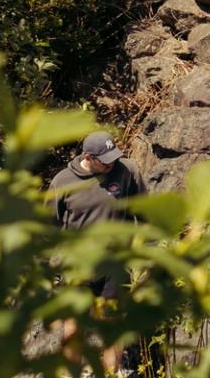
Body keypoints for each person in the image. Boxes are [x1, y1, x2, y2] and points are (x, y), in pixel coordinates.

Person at [50, 130, 147, 374]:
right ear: (88, 157)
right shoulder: (62, 182)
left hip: (115, 266)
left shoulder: (127, 171)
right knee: (73, 330)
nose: (112, 163)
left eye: (114, 156)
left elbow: (145, 212)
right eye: (105, 160)